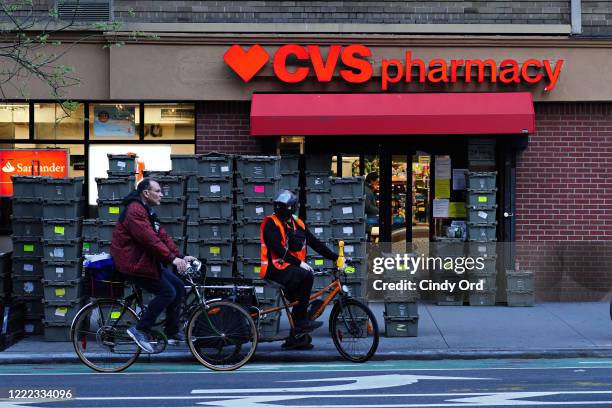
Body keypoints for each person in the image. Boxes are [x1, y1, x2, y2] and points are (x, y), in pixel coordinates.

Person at [110, 178, 197, 353]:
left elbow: (162, 237)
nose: (161, 195)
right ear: (146, 193)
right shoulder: (135, 211)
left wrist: (181, 256)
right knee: (168, 292)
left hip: (145, 262)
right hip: (132, 263)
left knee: (179, 287)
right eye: (157, 191)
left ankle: (171, 330)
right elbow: (150, 240)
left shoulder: (147, 211)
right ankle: (140, 329)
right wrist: (172, 260)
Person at [260, 190, 340, 349]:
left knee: (299, 300)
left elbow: (315, 243)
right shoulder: (270, 223)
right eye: (279, 206)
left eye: (284, 207)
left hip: (289, 269)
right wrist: (299, 263)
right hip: (274, 269)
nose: (281, 210)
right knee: (307, 276)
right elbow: (276, 248)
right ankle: (301, 323)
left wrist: (335, 257)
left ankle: (296, 337)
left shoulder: (298, 223)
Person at [364, 172, 379, 238]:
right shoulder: (367, 190)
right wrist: (378, 210)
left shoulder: (367, 189)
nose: (377, 183)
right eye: (376, 181)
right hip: (368, 221)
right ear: (372, 181)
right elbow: (368, 207)